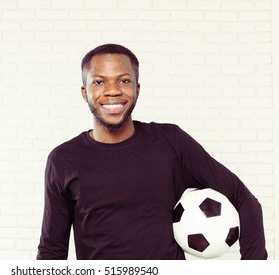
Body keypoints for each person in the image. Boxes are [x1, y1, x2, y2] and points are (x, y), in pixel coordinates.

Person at [36, 43, 268, 260]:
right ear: (84, 92)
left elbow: (243, 199)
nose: (112, 91)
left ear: (137, 89)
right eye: (99, 82)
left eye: (124, 81)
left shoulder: (170, 142)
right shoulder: (63, 160)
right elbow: (52, 249)